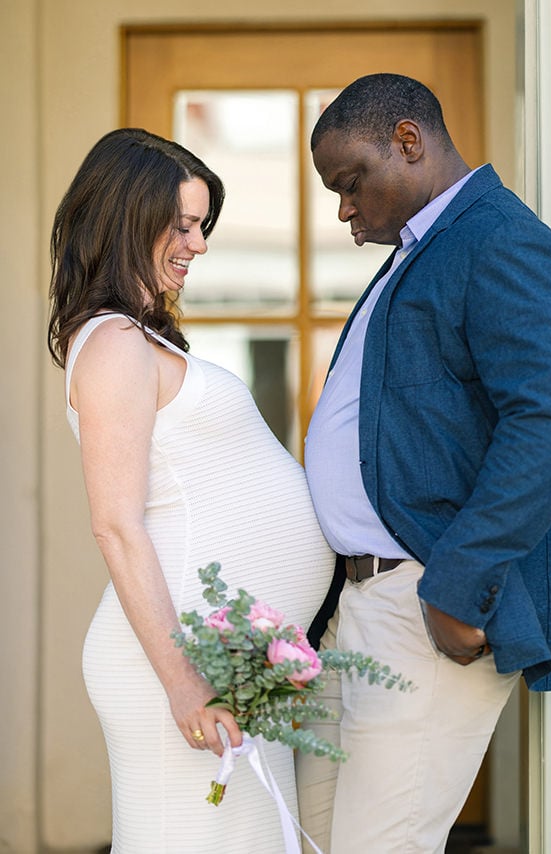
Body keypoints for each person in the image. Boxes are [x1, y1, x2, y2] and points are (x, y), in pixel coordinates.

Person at [298, 74, 551, 851]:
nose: (344, 210)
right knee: (316, 842)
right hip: (352, 611)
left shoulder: (500, 239)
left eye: (350, 183)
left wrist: (459, 584)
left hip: (423, 606)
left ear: (407, 141)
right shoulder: (420, 250)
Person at [47, 128, 334, 850]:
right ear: (124, 220)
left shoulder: (139, 340)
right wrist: (182, 680)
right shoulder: (113, 345)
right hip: (174, 673)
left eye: (202, 225)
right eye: (181, 225)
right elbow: (116, 524)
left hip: (220, 667)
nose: (199, 244)